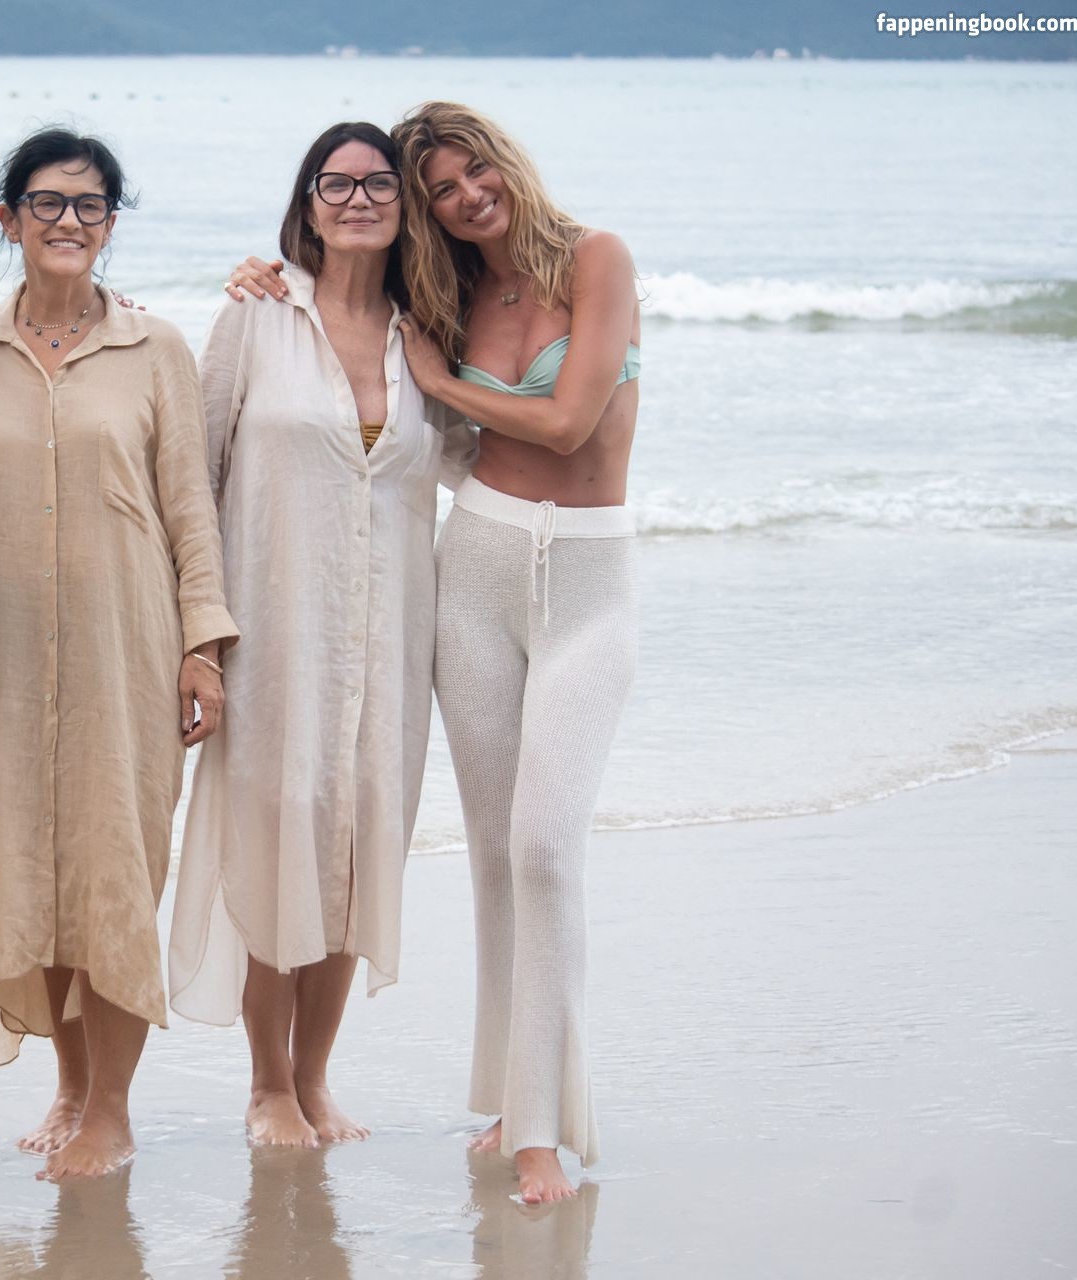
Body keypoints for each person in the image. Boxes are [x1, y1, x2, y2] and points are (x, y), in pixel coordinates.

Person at [226, 100, 641, 1203]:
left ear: (508, 160)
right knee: (500, 856)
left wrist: (444, 382)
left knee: (545, 846)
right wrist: (262, 275)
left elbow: (566, 421)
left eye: (473, 173)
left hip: (589, 580)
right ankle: (512, 1100)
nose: (466, 197)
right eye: (442, 189)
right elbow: (330, 356)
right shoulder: (441, 298)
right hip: (477, 571)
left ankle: (541, 1128)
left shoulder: (596, 260)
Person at [0, 128, 238, 1180]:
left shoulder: (155, 348)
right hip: (4, 663)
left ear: (111, 224)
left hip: (130, 651)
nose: (69, 220)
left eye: (91, 205)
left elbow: (190, 508)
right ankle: (70, 1085)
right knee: (34, 875)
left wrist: (204, 647)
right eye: (48, 202)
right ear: (9, 218)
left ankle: (110, 1111)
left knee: (115, 873)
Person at [169, 123, 452, 1148]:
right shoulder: (256, 316)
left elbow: (478, 451)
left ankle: (316, 1078)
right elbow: (194, 478)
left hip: (389, 644)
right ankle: (267, 1086)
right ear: (308, 202)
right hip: (273, 636)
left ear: (405, 205)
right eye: (337, 182)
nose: (358, 198)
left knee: (356, 853)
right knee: (277, 848)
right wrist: (198, 636)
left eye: (379, 183)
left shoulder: (429, 334)